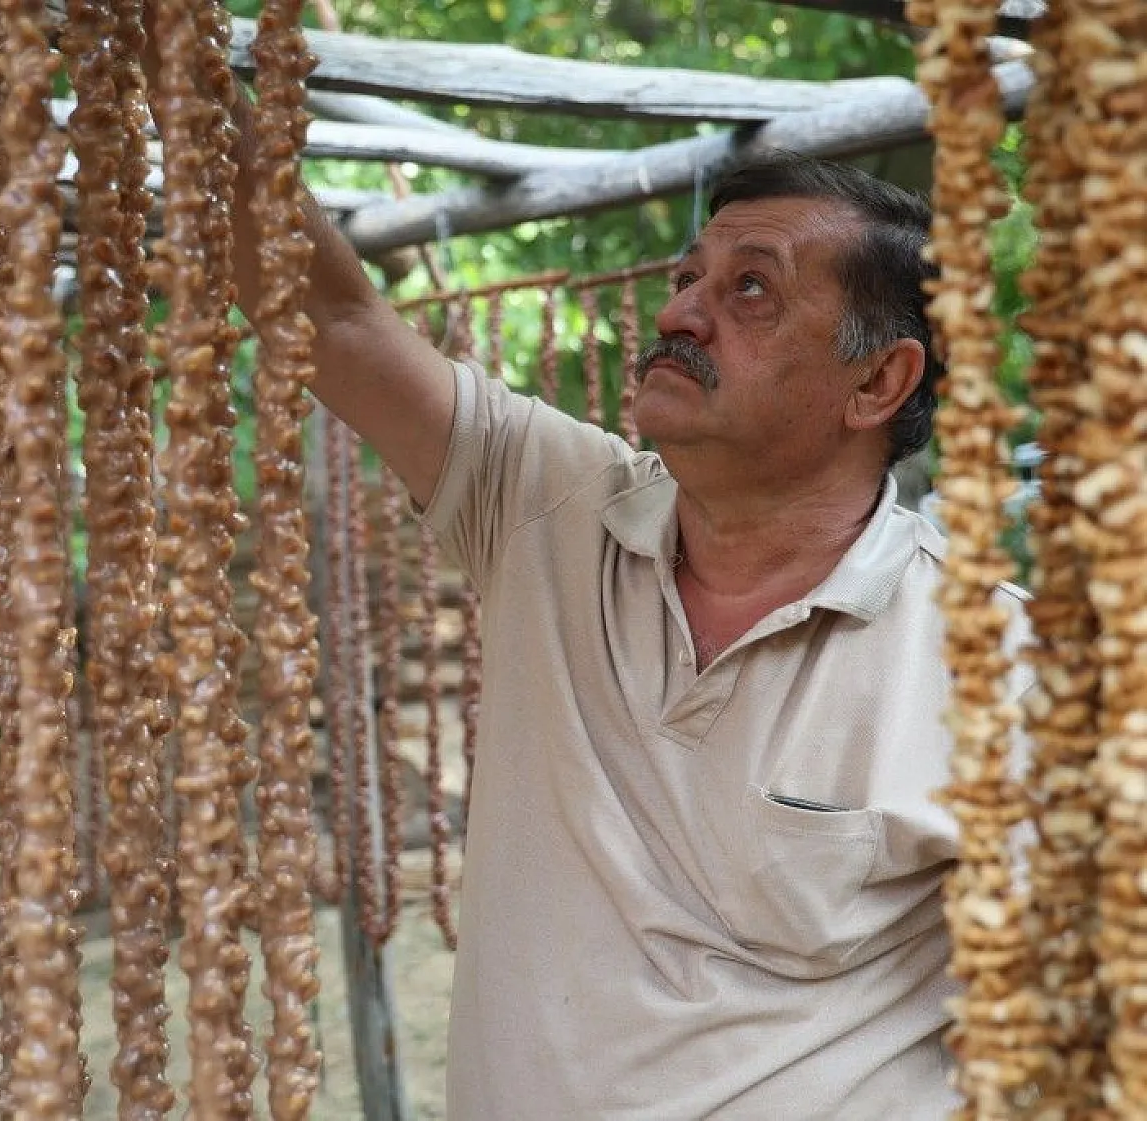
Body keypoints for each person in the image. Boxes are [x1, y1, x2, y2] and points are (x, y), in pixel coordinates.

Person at [216, 58, 1021, 1111]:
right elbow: (331, 318)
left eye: (750, 289)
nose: (681, 312)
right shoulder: (544, 502)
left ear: (876, 381)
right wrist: (169, 54)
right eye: (688, 277)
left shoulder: (994, 664)